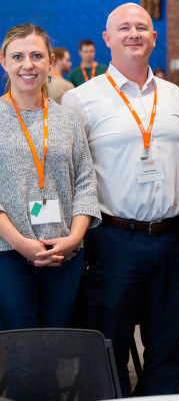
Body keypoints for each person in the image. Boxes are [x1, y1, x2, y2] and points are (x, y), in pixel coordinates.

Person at [62, 3, 179, 397]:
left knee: (167, 344)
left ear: (154, 38)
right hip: (114, 239)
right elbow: (70, 175)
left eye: (142, 27)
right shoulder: (81, 100)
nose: (134, 33)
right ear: (107, 39)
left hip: (172, 239)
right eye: (124, 28)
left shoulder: (176, 96)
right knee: (109, 345)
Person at [0, 23, 101, 331]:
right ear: (4, 62)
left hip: (64, 254)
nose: (27, 65)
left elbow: (85, 182)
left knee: (58, 344)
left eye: (36, 55)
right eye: (17, 57)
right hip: (9, 254)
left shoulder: (68, 120)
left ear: (51, 62)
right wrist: (20, 243)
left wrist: (74, 239)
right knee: (23, 352)